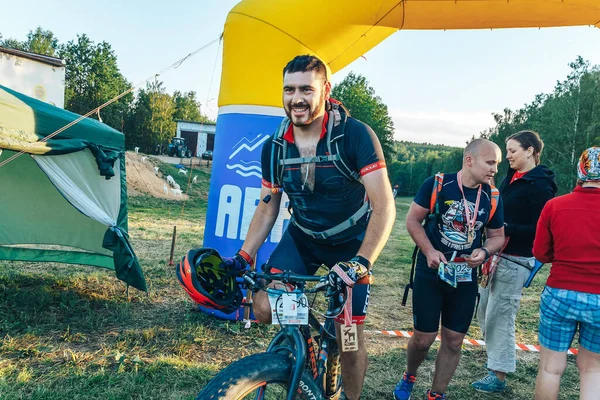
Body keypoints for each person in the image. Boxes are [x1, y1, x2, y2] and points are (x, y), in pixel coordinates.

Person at [223, 55, 396, 400]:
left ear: (325, 90)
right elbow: (267, 205)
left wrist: (362, 261)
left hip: (352, 244)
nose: (296, 98)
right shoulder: (275, 145)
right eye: (289, 89)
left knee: (349, 339)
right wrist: (244, 256)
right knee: (262, 306)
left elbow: (384, 206)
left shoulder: (355, 135)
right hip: (303, 238)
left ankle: (349, 396)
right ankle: (307, 349)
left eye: (306, 89)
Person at [393, 139, 506, 400]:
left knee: (454, 340)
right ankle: (410, 374)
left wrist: (485, 251)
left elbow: (497, 236)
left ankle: (436, 394)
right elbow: (413, 221)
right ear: (470, 160)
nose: (494, 170)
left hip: (465, 275)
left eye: (497, 164)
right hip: (431, 270)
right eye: (490, 163)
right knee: (424, 338)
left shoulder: (493, 195)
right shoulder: (438, 184)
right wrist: (430, 251)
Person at [472, 131, 557, 392]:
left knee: (501, 316)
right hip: (495, 256)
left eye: (512, 150)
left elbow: (541, 228)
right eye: (507, 151)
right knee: (484, 312)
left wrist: (506, 227)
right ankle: (495, 358)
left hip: (516, 259)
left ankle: (498, 375)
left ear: (530, 151)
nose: (506, 156)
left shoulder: (540, 185)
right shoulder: (511, 178)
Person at [532, 147, 600, 400]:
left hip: (560, 293)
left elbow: (540, 253)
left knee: (551, 368)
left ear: (580, 171)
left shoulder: (554, 206)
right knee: (593, 370)